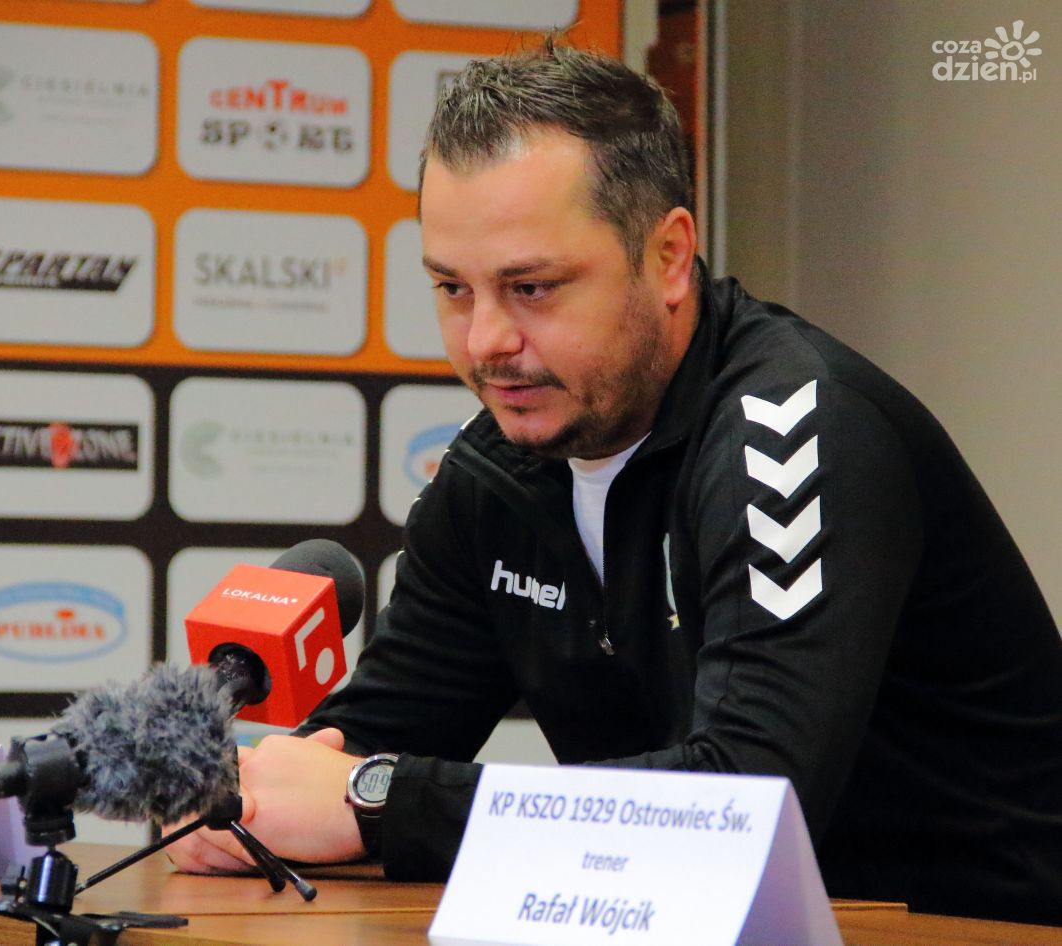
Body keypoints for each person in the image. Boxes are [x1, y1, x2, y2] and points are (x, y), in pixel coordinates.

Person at [167, 41, 1062, 926]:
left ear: (668, 256)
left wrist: (373, 798)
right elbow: (371, 746)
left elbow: (747, 805)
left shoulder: (796, 435)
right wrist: (254, 808)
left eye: (532, 287)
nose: (485, 341)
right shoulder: (497, 471)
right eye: (452, 288)